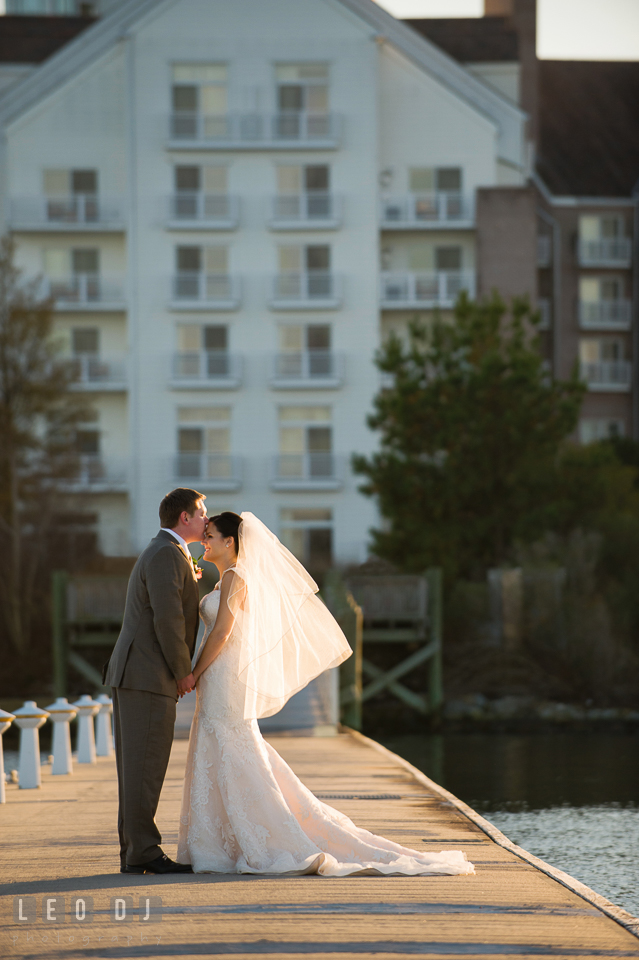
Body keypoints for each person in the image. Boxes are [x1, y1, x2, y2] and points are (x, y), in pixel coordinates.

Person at [177, 511, 474, 877]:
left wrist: (194, 673)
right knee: (225, 748)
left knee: (231, 745)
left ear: (229, 542)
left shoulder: (237, 577)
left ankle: (259, 836)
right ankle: (221, 840)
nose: (203, 541)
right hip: (220, 676)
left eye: (209, 535)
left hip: (224, 676)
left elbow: (222, 633)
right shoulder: (224, 581)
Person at [103, 488, 207, 875]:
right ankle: (143, 852)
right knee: (144, 768)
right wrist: (183, 671)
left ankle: (135, 851)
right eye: (202, 513)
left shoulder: (165, 550)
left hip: (138, 672)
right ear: (185, 517)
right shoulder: (166, 553)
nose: (206, 520)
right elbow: (168, 619)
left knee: (136, 769)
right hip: (147, 674)